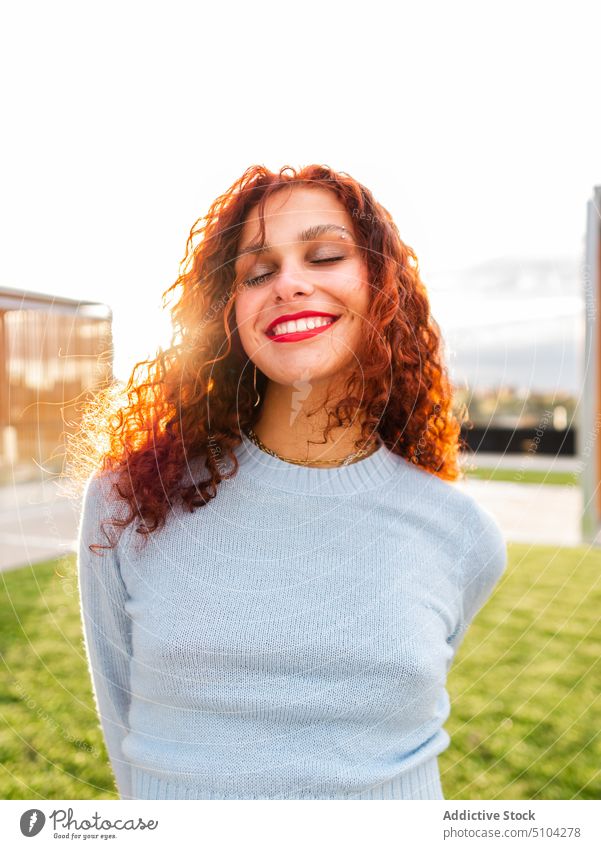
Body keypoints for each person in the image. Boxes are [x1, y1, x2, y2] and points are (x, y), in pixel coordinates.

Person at [75, 163, 507, 800]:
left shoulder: (463, 534)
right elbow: (121, 720)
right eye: (258, 272)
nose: (290, 284)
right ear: (229, 312)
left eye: (325, 255)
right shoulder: (130, 501)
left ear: (382, 288)